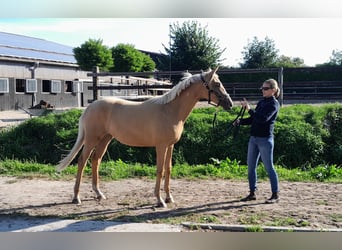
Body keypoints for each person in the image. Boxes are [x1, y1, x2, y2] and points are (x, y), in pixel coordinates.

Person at [234, 79, 281, 204]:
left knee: (269, 167)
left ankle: (275, 194)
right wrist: (241, 121)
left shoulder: (274, 104)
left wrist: (249, 109)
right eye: (262, 88)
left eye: (265, 89)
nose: (263, 91)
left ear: (273, 90)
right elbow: (253, 119)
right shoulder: (262, 103)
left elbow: (262, 119)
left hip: (265, 139)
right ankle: (252, 193)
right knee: (251, 167)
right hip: (254, 139)